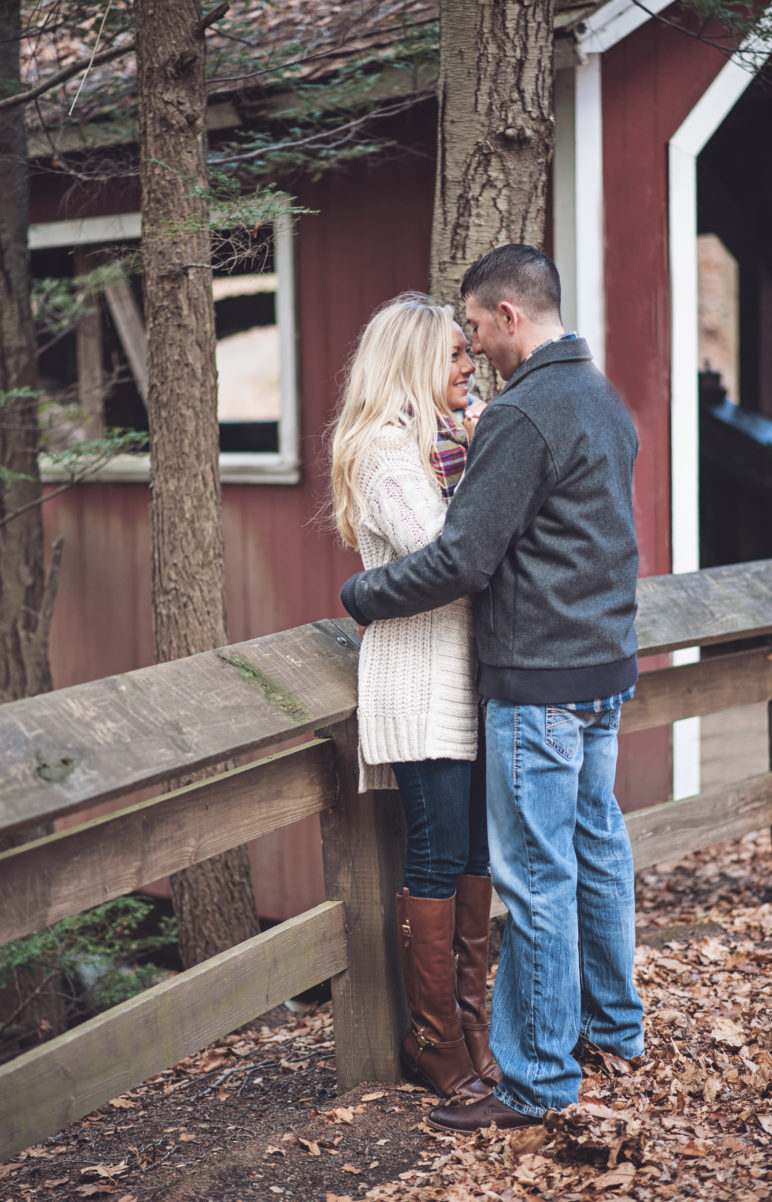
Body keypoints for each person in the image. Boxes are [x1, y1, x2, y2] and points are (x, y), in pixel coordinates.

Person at [339, 246, 645, 1133]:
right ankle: (611, 1029)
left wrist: (360, 595)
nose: (471, 348)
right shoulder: (600, 397)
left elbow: (465, 556)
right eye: (455, 343)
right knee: (595, 852)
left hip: (538, 677)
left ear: (509, 316)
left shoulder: (521, 415)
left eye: (474, 328)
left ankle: (539, 1077)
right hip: (601, 667)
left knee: (537, 874)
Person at [330, 292, 499, 1100]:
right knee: (436, 855)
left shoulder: (444, 443)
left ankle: (469, 1026)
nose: (471, 368)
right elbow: (448, 552)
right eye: (457, 357)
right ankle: (432, 1041)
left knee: (473, 855)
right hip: (419, 683)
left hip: (462, 678)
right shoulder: (387, 454)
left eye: (471, 354)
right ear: (418, 363)